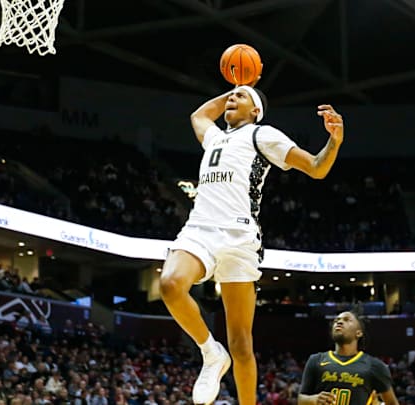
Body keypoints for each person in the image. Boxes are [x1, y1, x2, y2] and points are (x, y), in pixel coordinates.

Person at [159, 83, 344, 405]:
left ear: (256, 110)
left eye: (240, 98)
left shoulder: (263, 134)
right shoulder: (215, 136)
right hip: (199, 229)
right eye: (231, 96)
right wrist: (236, 86)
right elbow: (199, 115)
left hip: (239, 237)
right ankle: (210, 352)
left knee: (242, 344)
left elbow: (317, 168)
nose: (231, 100)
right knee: (170, 284)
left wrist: (334, 140)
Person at [298, 311, 399, 405]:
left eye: (347, 320)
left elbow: (392, 403)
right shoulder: (316, 360)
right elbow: (301, 399)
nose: (339, 322)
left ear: (358, 333)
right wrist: (314, 399)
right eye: (336, 320)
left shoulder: (375, 366)